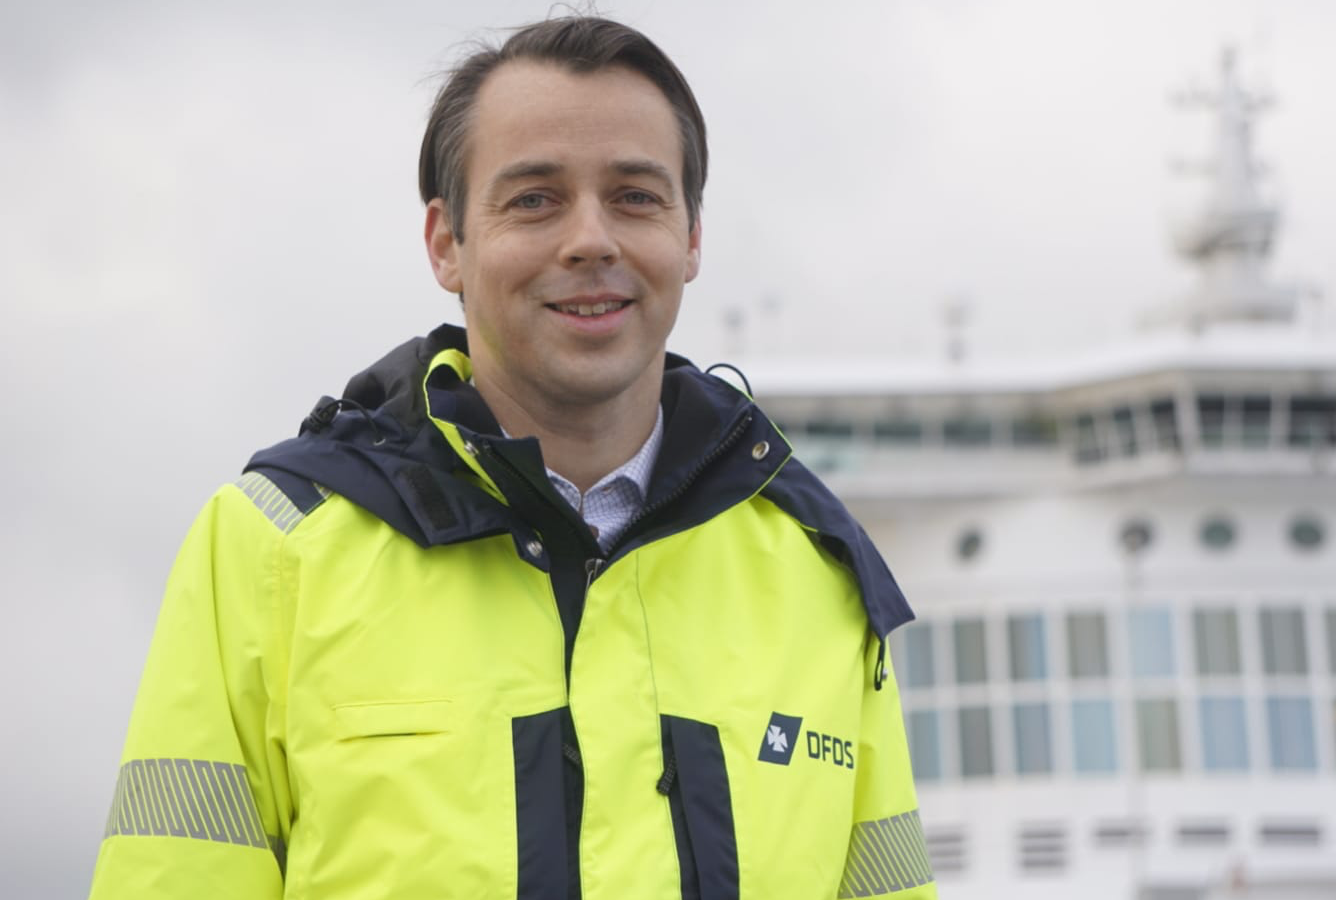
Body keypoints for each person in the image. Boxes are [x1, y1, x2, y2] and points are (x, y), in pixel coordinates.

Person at [88, 15, 935, 900]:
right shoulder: (269, 548)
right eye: (534, 198)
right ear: (446, 243)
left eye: (636, 197)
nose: (590, 240)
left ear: (690, 239)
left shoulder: (820, 579)